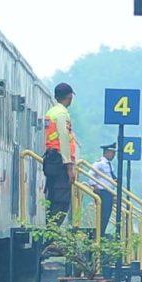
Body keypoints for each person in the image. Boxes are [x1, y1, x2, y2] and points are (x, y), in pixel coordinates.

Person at [42, 82, 78, 223]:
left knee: (52, 198)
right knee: (62, 200)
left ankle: (51, 232)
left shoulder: (51, 112)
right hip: (59, 162)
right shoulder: (62, 114)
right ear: (69, 97)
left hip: (50, 160)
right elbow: (64, 139)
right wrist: (69, 167)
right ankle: (53, 237)